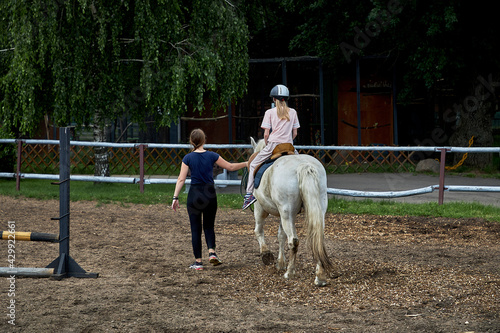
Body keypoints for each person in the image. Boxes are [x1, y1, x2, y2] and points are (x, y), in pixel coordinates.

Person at [172, 128, 248, 271]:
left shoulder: (187, 158)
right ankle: (212, 252)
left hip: (194, 195)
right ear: (204, 140)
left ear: (191, 141)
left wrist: (175, 197)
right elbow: (231, 167)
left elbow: (181, 179)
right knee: (209, 226)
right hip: (209, 194)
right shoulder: (212, 155)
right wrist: (246, 163)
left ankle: (198, 262)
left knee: (195, 229)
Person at [242, 84, 300, 210]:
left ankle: (249, 196)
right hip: (289, 146)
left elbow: (266, 134)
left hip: (273, 145)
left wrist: (268, 143)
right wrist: (288, 140)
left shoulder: (269, 112)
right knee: (301, 166)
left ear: (274, 99)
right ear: (286, 99)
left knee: (252, 165)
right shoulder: (293, 112)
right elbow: (295, 133)